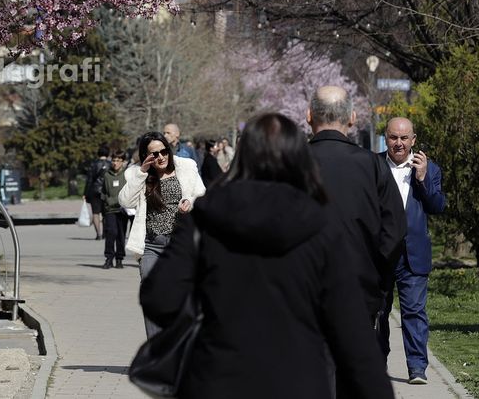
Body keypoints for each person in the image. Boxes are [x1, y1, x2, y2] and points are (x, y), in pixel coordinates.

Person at [139, 114, 393, 399]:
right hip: (299, 379)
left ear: (242, 157)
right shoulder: (320, 225)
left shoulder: (206, 218)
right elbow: (352, 330)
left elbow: (158, 297)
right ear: (298, 159)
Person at [307, 86, 406, 327]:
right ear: (352, 118)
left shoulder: (286, 163)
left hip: (301, 292)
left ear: (309, 116)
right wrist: (378, 280)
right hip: (359, 290)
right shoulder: (373, 166)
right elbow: (394, 230)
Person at [377, 117, 446, 385]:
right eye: (393, 137)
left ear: (413, 140)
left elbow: (437, 206)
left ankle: (417, 368)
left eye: (404, 138)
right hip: (380, 255)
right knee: (378, 312)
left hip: (413, 256)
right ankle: (376, 365)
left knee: (414, 313)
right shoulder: (372, 166)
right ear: (386, 138)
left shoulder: (430, 169)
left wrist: (423, 178)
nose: (399, 143)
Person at [119, 131, 205, 337]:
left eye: (164, 151)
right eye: (154, 154)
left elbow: (201, 194)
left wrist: (189, 202)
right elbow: (125, 201)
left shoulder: (186, 167)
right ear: (146, 156)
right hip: (152, 246)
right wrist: (142, 171)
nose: (160, 157)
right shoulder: (138, 174)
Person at [99, 150, 129, 269]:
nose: (115, 163)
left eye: (118, 160)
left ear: (123, 162)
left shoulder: (126, 174)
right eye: (114, 160)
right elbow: (103, 192)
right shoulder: (107, 175)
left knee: (121, 234)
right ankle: (109, 258)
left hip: (122, 209)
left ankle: (119, 258)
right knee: (111, 233)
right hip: (110, 209)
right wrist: (105, 203)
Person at [84, 146, 111, 240]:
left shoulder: (94, 164)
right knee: (106, 213)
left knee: (95, 213)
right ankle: (105, 233)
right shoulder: (110, 164)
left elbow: (89, 179)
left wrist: (85, 193)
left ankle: (98, 234)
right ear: (107, 153)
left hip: (94, 190)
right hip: (106, 191)